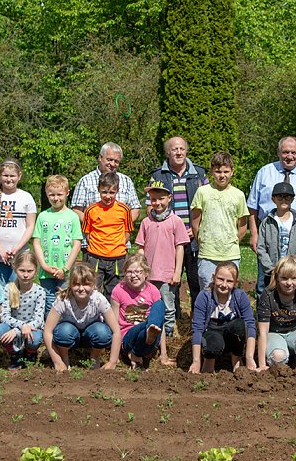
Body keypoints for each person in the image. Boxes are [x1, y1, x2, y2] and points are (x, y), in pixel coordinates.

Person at [247, 136, 296, 296]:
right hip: (269, 231)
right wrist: (254, 234)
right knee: (265, 283)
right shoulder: (264, 173)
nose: (289, 156)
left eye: (293, 152)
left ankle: (292, 311)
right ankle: (264, 311)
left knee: (294, 282)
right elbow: (252, 207)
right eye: (285, 152)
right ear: (278, 152)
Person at [149, 136, 209, 317]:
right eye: (174, 149)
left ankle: (197, 317)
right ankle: (173, 318)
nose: (179, 152)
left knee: (195, 280)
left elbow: (208, 204)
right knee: (170, 280)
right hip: (169, 239)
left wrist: (197, 228)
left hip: (194, 236)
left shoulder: (199, 174)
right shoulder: (158, 175)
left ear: (186, 151)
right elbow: (151, 206)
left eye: (182, 148)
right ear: (168, 152)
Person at [135, 177, 189, 338]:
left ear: (169, 198)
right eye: (153, 199)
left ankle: (169, 335)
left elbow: (180, 248)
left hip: (167, 275)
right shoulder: (146, 222)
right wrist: (140, 270)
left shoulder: (176, 221)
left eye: (161, 199)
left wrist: (177, 272)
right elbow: (141, 248)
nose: (157, 202)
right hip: (148, 274)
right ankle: (147, 333)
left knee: (168, 306)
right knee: (146, 304)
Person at [43, 263, 122, 371]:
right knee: (64, 331)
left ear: (93, 284)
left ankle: (94, 357)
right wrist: (57, 361)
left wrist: (113, 361)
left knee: (102, 332)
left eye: (86, 284)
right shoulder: (63, 299)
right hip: (69, 334)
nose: (81, 288)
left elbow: (116, 331)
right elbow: (47, 331)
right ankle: (64, 358)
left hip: (91, 334)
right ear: (70, 284)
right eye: (76, 284)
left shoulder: (99, 299)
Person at [190, 152, 249, 291]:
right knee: (207, 289)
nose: (222, 175)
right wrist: (202, 241)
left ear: (232, 171)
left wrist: (233, 241)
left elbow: (242, 226)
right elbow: (195, 222)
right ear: (212, 172)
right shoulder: (202, 192)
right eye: (218, 171)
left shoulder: (238, 195)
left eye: (226, 171)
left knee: (228, 290)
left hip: (230, 253)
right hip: (208, 253)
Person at [189, 261, 257, 373]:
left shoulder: (240, 296)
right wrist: (196, 361)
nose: (224, 285)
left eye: (229, 281)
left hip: (231, 334)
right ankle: (208, 362)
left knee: (240, 326)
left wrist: (249, 357)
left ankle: (236, 359)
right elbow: (197, 328)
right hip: (212, 333)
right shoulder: (205, 296)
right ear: (213, 278)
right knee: (212, 344)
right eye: (220, 279)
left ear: (235, 282)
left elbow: (250, 325)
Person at [256, 256, 296, 369]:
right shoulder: (268, 295)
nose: (289, 283)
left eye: (294, 278)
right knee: (278, 356)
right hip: (274, 334)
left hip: (295, 332)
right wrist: (262, 365)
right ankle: (282, 365)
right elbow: (263, 332)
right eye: (284, 278)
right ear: (277, 277)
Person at [0, 158, 37, 284]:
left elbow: (30, 226)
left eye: (12, 176)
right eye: (5, 175)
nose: (9, 179)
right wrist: (0, 249)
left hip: (20, 255)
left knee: (17, 290)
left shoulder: (27, 197)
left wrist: (17, 249)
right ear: (0, 176)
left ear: (19, 176)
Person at [32, 175, 82, 316]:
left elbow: (76, 244)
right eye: (51, 195)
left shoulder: (72, 216)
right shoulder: (43, 216)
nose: (55, 198)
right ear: (46, 194)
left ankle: (64, 327)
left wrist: (65, 269)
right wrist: (44, 266)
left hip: (66, 271)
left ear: (67, 193)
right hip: (46, 271)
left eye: (59, 194)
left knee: (66, 301)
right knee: (48, 302)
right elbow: (36, 242)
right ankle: (49, 328)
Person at [110, 255, 171, 369]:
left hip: (149, 341)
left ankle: (138, 350)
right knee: (145, 326)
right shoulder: (119, 290)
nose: (133, 275)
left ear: (146, 273)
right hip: (128, 337)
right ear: (124, 274)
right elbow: (114, 324)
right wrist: (115, 356)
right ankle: (143, 340)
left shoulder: (153, 291)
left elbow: (160, 324)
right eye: (129, 272)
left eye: (138, 271)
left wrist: (164, 354)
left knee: (159, 305)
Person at [83, 172, 135, 298]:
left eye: (111, 192)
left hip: (117, 258)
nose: (107, 196)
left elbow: (127, 232)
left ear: (117, 191)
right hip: (96, 257)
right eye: (104, 192)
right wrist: (98, 246)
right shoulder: (90, 210)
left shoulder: (124, 210)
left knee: (114, 292)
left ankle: (111, 311)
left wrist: (116, 245)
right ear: (98, 190)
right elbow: (87, 233)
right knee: (92, 290)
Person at [0, 252, 46, 370]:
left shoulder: (40, 291)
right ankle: (15, 355)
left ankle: (30, 353)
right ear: (15, 269)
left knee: (35, 339)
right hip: (13, 325)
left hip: (32, 328)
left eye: (30, 271)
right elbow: (4, 315)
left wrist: (19, 330)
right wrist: (20, 326)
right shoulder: (9, 288)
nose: (26, 275)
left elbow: (38, 320)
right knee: (0, 329)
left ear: (35, 270)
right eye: (22, 271)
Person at [71, 142, 141, 226]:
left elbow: (135, 209)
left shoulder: (126, 181)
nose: (112, 164)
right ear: (100, 158)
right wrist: (94, 225)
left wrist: (121, 225)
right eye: (109, 159)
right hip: (94, 232)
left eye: (116, 161)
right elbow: (76, 210)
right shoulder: (85, 181)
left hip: (119, 232)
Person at [255, 182, 296, 289]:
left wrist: (295, 267)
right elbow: (261, 247)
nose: (284, 200)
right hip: (271, 272)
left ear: (292, 199)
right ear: (273, 199)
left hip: (292, 272)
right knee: (267, 294)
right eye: (280, 197)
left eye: (287, 197)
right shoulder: (267, 222)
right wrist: (271, 269)